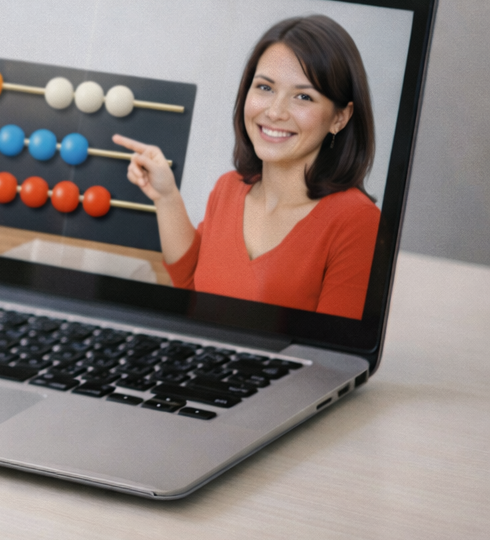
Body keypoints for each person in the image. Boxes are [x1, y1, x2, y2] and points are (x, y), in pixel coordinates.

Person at [113, 16, 380, 320]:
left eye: (303, 96)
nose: (275, 111)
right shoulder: (228, 188)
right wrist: (166, 196)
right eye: (265, 88)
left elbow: (334, 358)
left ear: (339, 118)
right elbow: (190, 286)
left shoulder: (357, 222)